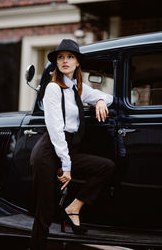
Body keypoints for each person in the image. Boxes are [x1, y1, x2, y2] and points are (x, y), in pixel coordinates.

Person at [30, 39, 115, 250]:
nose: (65, 61)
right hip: (49, 151)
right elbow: (56, 130)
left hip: (67, 149)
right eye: (61, 57)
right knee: (45, 209)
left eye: (70, 57)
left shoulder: (77, 87)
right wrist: (66, 166)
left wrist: (101, 101)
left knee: (105, 167)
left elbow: (108, 96)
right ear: (57, 63)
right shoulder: (52, 88)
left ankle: (74, 207)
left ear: (77, 62)